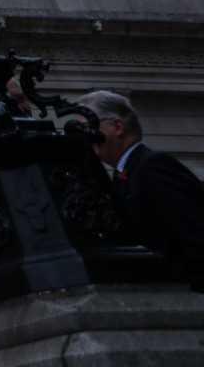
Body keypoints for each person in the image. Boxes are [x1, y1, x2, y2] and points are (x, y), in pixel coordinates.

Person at [78, 89, 204, 288]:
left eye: (88, 127)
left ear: (117, 127)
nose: (85, 137)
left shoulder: (152, 167)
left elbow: (193, 232)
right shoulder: (125, 174)